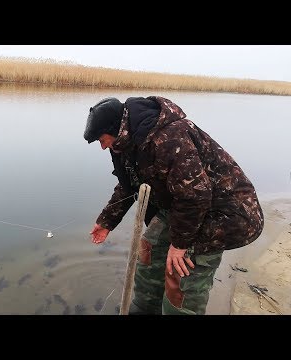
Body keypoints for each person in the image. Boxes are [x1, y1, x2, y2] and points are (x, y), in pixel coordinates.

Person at [83, 96, 264, 315]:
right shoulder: (126, 143)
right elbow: (129, 184)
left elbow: (196, 195)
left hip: (227, 211)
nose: (103, 147)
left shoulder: (170, 136)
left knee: (180, 270)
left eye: (102, 140)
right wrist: (107, 221)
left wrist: (179, 245)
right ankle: (144, 309)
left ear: (115, 129)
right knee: (149, 248)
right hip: (183, 205)